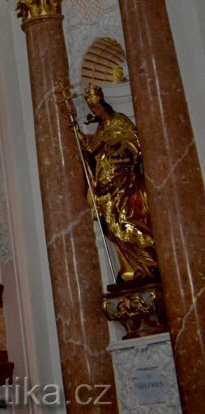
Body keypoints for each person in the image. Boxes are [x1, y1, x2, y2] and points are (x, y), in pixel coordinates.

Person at [75, 86, 157, 285]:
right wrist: (76, 130)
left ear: (103, 103)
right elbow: (90, 147)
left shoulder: (120, 121)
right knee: (112, 229)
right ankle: (132, 267)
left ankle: (148, 264)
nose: (94, 110)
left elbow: (134, 144)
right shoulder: (100, 129)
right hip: (108, 187)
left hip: (125, 183)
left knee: (128, 222)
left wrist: (119, 151)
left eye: (96, 106)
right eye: (91, 107)